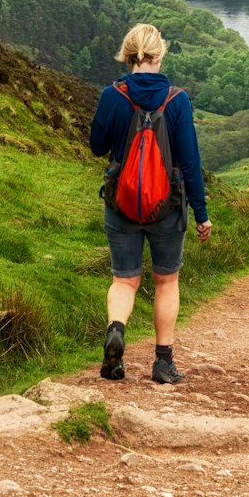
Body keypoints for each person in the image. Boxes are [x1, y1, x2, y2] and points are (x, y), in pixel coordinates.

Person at [87, 23, 210, 385]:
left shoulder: (113, 95)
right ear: (159, 55)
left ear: (128, 55)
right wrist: (201, 214)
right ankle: (162, 362)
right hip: (167, 207)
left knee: (124, 281)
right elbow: (189, 162)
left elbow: (97, 145)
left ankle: (116, 331)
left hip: (121, 202)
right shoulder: (177, 99)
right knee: (166, 281)